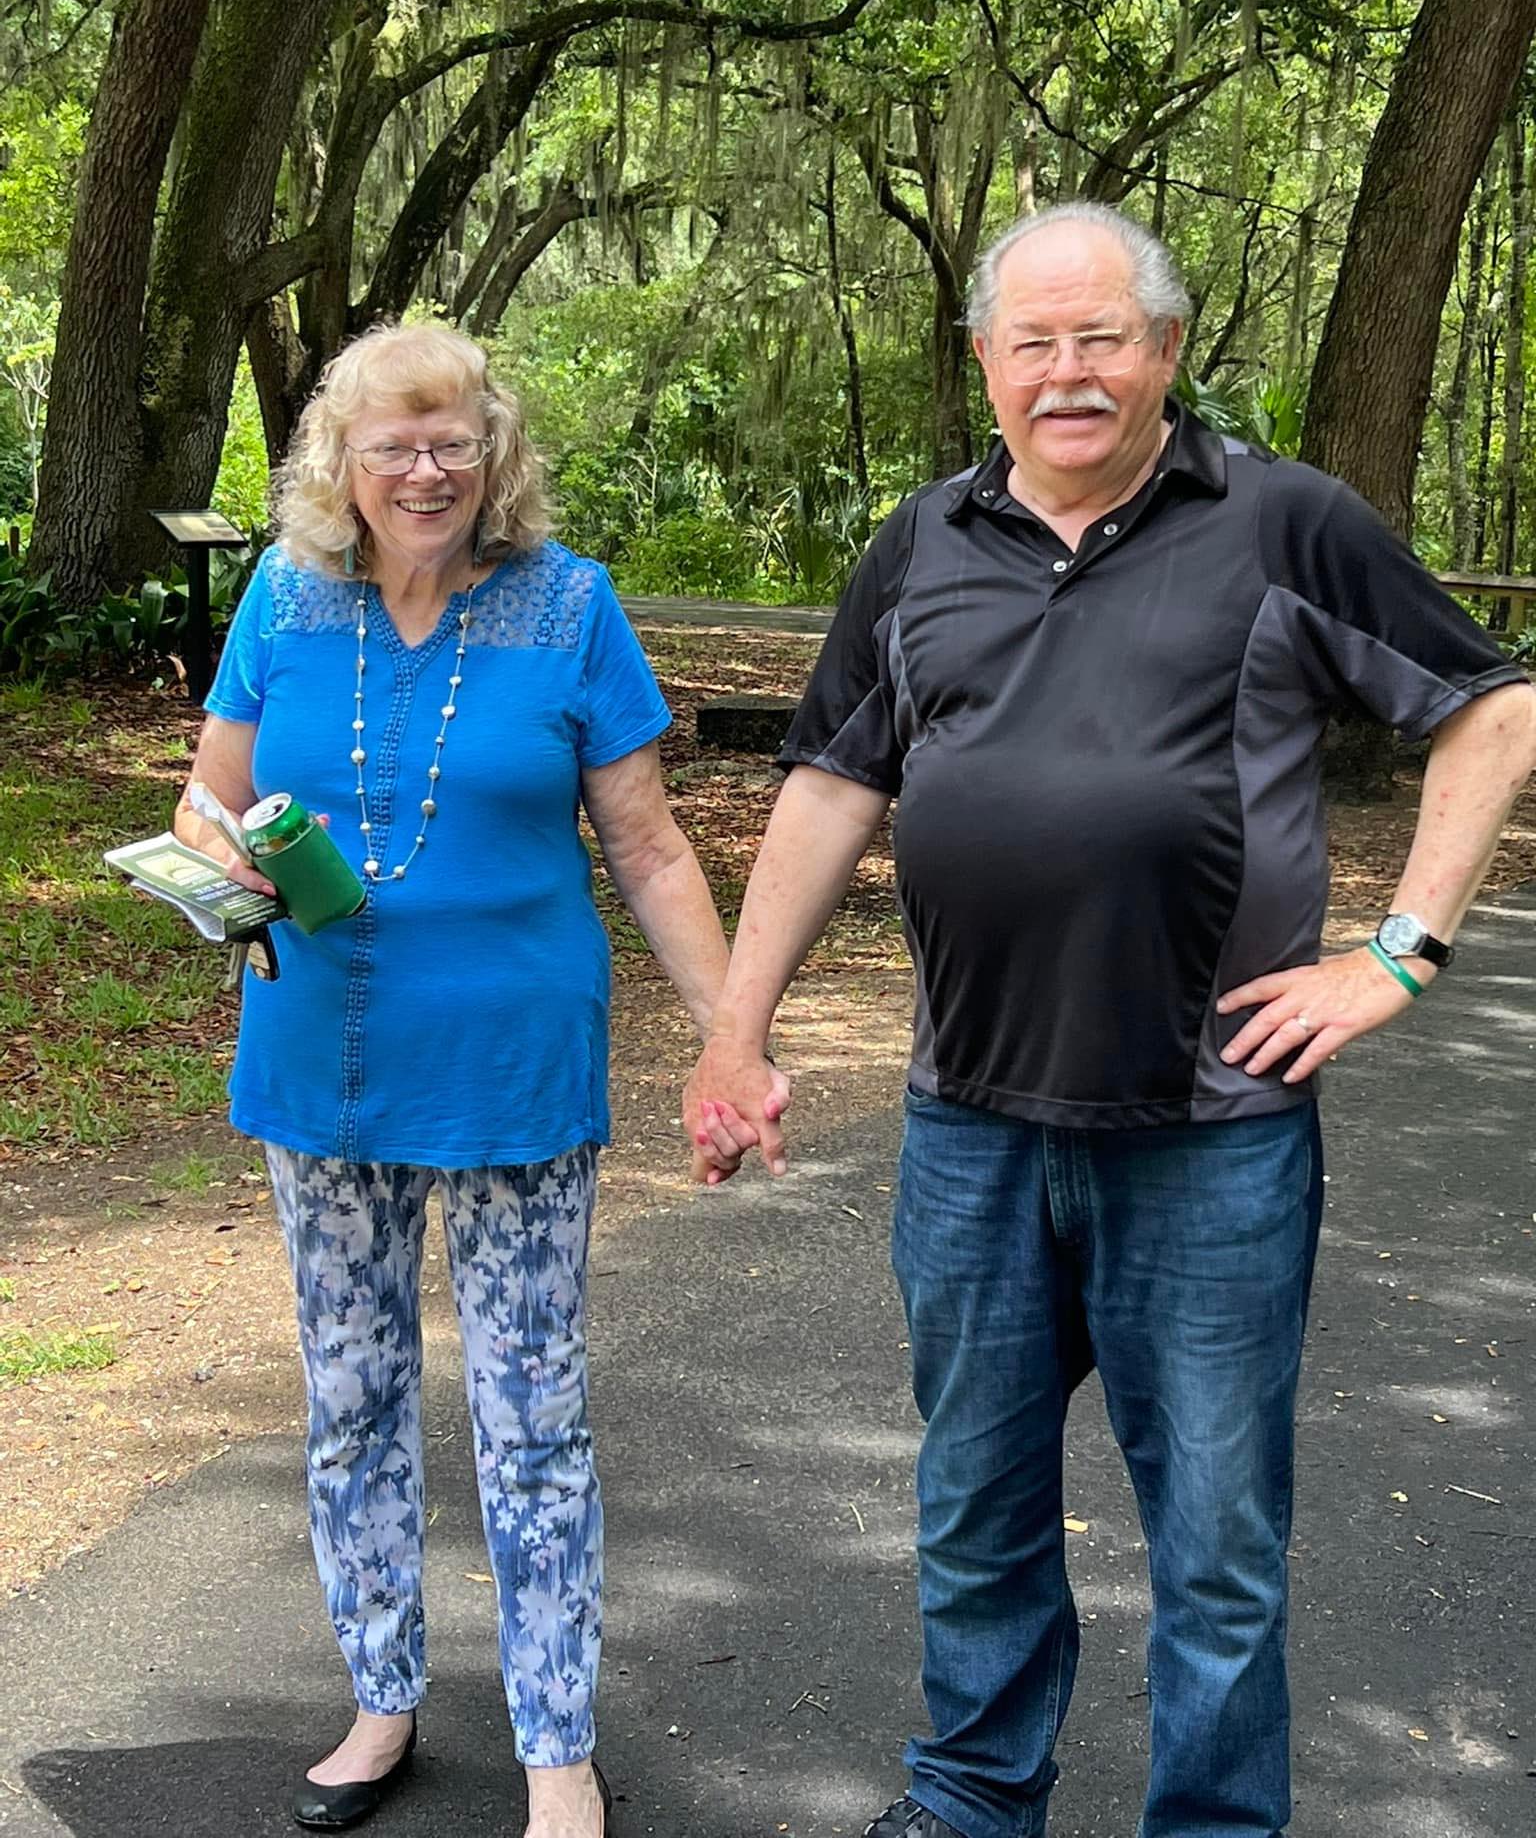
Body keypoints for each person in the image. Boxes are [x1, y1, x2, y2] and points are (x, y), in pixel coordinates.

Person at [684, 203, 1536, 1838]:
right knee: (974, 1512)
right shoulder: (919, 544)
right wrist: (737, 1030)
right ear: (987, 363)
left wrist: (1398, 954)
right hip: (969, 1126)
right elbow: (829, 783)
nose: (1067, 372)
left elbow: (1492, 707)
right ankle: (972, 1800)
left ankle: (1213, 1826)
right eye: (1034, 342)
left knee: (1216, 1544)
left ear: (1163, 351)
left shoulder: (1288, 524)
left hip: (1210, 1136)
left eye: (1102, 338)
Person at [178, 322, 732, 1838]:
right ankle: (380, 1701)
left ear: (492, 459)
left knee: (530, 1415)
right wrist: (225, 867)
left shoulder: (571, 609)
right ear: (338, 467)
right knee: (350, 1403)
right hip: (321, 1064)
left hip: (511, 1067)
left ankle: (558, 1747)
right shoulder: (284, 598)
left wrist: (732, 1030)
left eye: (450, 441)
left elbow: (650, 843)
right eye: (390, 444)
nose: (423, 470)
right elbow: (205, 802)